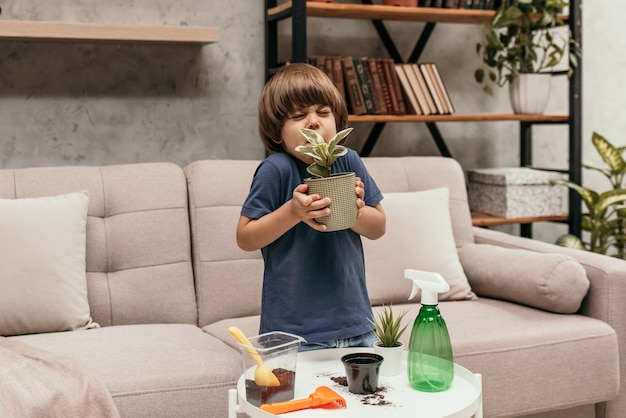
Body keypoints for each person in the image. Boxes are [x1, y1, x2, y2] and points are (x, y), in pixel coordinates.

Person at [236, 62, 386, 351]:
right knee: (302, 398)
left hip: (357, 325)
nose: (314, 121)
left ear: (337, 121)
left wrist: (354, 210)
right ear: (277, 131)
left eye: (323, 112)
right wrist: (292, 212)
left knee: (367, 398)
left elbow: (378, 227)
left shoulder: (348, 161)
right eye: (298, 115)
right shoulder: (275, 170)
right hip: (293, 335)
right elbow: (245, 237)